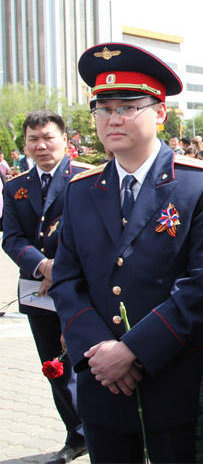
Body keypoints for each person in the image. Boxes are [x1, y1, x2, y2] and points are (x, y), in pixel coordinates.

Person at [50, 43, 203, 463]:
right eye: (103, 108)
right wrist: (100, 352)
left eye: (128, 106)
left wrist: (131, 352)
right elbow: (66, 279)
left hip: (172, 378)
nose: (113, 118)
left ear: (161, 113)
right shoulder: (81, 189)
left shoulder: (199, 184)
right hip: (102, 383)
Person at [2, 111, 92, 464]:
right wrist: (43, 265)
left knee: (89, 363)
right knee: (54, 368)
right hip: (37, 291)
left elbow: (96, 235)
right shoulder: (16, 186)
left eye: (48, 137)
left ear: (65, 140)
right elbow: (11, 238)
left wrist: (62, 270)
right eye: (32, 140)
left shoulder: (87, 177)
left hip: (82, 290)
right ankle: (77, 435)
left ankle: (102, 431)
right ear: (24, 144)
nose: (41, 146)